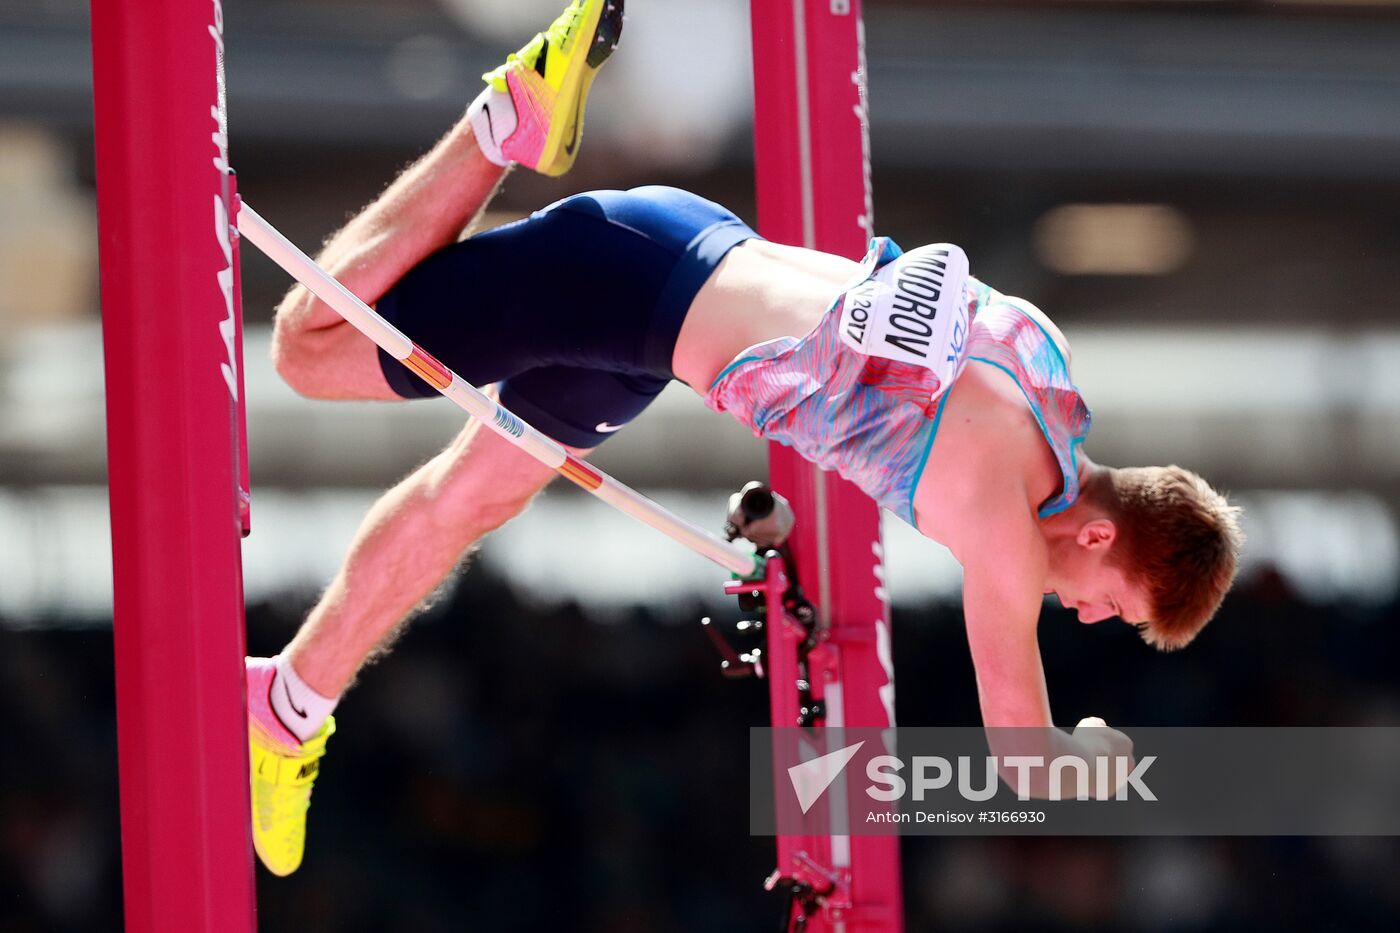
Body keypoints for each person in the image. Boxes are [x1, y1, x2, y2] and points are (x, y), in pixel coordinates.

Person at [247, 0, 1242, 876]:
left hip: (667, 308)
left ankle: (290, 703)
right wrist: (1096, 758)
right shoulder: (1003, 525)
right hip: (628, 285)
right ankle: (505, 120)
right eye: (1111, 606)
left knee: (473, 495)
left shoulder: (1050, 379)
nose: (1084, 617)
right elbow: (1021, 763)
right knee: (309, 348)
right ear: (1102, 538)